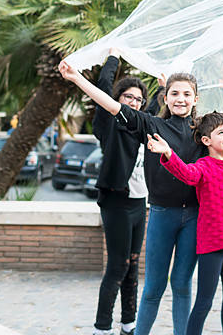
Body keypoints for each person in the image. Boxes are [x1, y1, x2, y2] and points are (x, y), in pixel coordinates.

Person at [58, 60, 223, 335]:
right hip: (160, 215)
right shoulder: (150, 124)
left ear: (195, 99)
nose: (181, 99)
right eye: (175, 93)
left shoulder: (205, 127)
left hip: (194, 218)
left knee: (181, 284)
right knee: (154, 287)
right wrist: (77, 79)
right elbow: (112, 106)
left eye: (186, 94)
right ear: (165, 97)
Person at [145, 112, 223, 335]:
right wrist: (167, 152)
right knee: (205, 301)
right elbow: (186, 174)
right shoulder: (203, 166)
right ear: (206, 140)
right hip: (211, 247)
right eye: (221, 132)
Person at [62, 49, 148, 335]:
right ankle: (102, 328)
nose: (133, 102)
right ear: (118, 99)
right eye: (128, 97)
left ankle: (129, 324)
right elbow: (103, 87)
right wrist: (113, 58)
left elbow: (162, 104)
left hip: (139, 203)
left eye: (138, 99)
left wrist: (162, 86)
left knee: (133, 264)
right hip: (116, 202)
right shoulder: (110, 123)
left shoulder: (141, 127)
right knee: (118, 265)